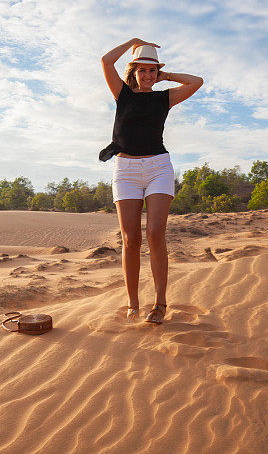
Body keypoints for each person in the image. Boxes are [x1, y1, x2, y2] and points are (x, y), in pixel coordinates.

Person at [99, 38, 203, 324]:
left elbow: (197, 81)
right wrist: (134, 42)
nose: (147, 76)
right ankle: (133, 303)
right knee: (131, 239)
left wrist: (166, 75)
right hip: (126, 170)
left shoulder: (164, 98)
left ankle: (160, 303)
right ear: (134, 71)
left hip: (158, 167)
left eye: (152, 71)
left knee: (155, 232)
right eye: (142, 70)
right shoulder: (122, 94)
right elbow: (106, 61)